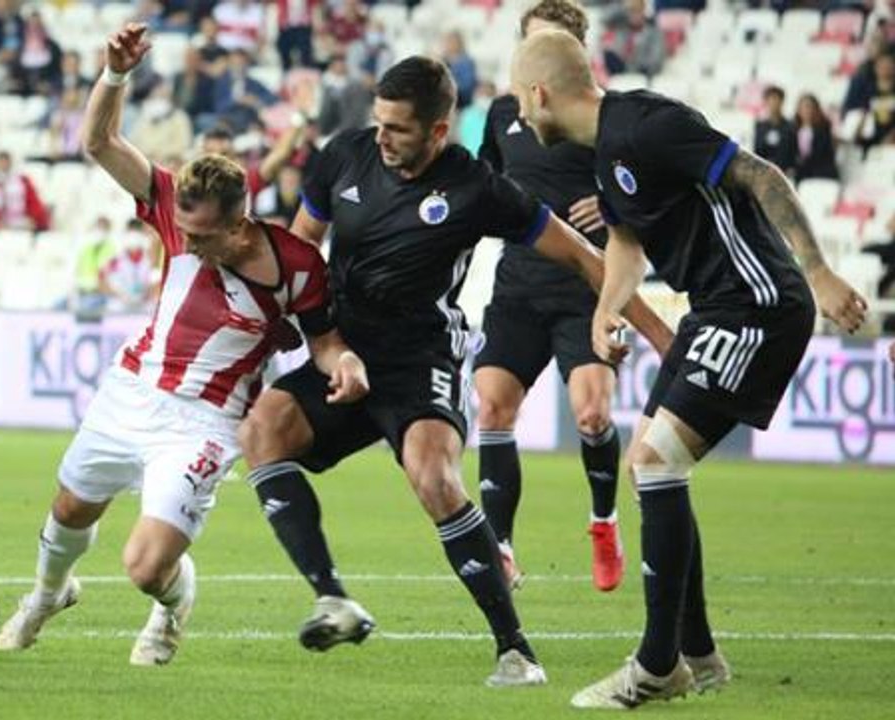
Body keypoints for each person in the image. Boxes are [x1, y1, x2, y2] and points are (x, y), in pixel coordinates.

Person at [237, 55, 673, 686]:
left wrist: (660, 334)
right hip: (346, 352)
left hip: (420, 362)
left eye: (399, 129)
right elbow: (300, 253)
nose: (381, 137)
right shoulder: (345, 156)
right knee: (262, 432)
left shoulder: (477, 189)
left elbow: (582, 257)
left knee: (434, 478)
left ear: (439, 131)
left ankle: (515, 650)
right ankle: (333, 598)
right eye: (379, 122)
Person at [510, 29, 868, 709]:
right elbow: (624, 241)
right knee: (650, 469)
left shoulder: (647, 125)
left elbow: (761, 174)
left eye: (520, 105)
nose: (521, 120)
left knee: (654, 464)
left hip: (758, 305)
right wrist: (605, 310)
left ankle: (657, 664)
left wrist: (817, 272)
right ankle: (699, 656)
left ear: (540, 94)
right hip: (715, 309)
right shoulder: (607, 152)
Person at [0, 23, 369, 667]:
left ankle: (172, 604)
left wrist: (346, 364)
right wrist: (115, 75)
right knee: (69, 507)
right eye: (185, 233)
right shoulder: (171, 206)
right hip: (134, 389)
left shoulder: (298, 265)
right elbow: (99, 141)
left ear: (240, 223)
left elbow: (325, 342)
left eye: (203, 238)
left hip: (207, 423)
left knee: (143, 566)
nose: (186, 246)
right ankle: (45, 595)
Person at [474, 0, 645, 594]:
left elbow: (643, 191)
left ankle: (603, 522)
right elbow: (480, 187)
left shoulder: (609, 117)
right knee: (492, 404)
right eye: (529, 45)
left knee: (593, 413)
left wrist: (613, 203)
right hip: (519, 282)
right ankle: (498, 547)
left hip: (586, 288)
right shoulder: (502, 114)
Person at [753, 85, 797, 175]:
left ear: (782, 102)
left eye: (777, 99)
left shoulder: (790, 126)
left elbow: (793, 151)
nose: (774, 103)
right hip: (764, 170)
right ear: (766, 102)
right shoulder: (760, 126)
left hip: (784, 171)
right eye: (771, 99)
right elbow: (757, 150)